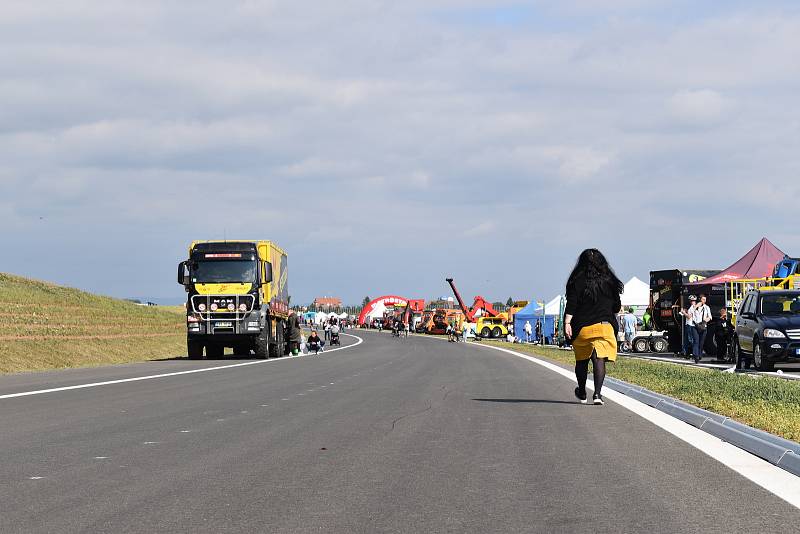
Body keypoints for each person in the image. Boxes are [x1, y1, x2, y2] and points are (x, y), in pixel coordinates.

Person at [565, 248, 624, 406]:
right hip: (605, 326)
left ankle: (582, 391)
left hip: (582, 327)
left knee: (582, 361)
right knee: (599, 359)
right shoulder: (609, 281)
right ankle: (597, 394)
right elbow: (617, 307)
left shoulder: (577, 280)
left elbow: (572, 304)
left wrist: (567, 323)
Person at [686, 294, 711, 363]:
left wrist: (704, 321)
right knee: (696, 341)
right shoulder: (693, 307)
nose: (704, 301)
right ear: (699, 300)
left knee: (701, 342)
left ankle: (699, 355)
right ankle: (695, 356)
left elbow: (710, 317)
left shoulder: (707, 307)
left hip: (703, 326)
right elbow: (689, 314)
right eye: (703, 299)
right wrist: (696, 306)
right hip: (695, 326)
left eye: (705, 300)